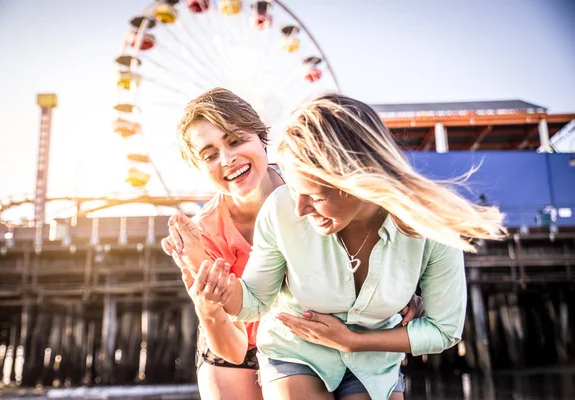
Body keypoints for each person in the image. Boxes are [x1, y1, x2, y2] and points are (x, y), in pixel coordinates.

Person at [181, 93, 505, 400]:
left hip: (373, 354)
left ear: (355, 180)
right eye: (210, 154)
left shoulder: (426, 225)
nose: (301, 209)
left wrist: (358, 338)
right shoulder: (263, 213)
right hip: (286, 345)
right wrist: (210, 299)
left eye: (316, 197)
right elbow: (248, 313)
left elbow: (444, 330)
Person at [161, 89, 421, 399]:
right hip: (237, 346)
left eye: (235, 140)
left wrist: (405, 294)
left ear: (261, 137)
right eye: (210, 155)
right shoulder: (202, 234)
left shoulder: (316, 195)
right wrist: (206, 305)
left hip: (312, 342)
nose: (227, 160)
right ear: (198, 167)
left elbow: (369, 250)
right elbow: (232, 349)